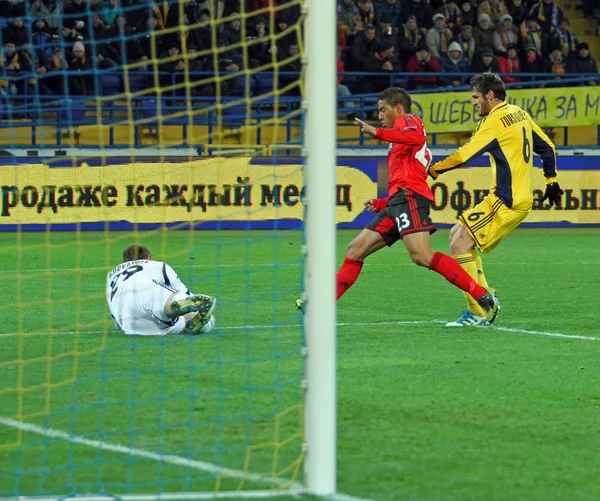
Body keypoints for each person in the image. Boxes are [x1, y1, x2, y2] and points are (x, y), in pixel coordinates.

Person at [297, 87, 500, 323]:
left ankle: (482, 295)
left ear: (399, 108)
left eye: (383, 110)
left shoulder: (409, 121)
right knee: (355, 250)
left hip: (410, 198)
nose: (380, 115)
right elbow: (406, 176)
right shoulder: (397, 140)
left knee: (422, 255)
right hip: (398, 201)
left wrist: (378, 132)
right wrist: (381, 202)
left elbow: (417, 138)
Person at [428, 73, 563, 327]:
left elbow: (464, 155)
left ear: (490, 95)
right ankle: (485, 298)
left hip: (507, 199)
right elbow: (547, 147)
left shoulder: (493, 122)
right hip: (507, 197)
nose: (474, 103)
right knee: (457, 234)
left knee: (459, 245)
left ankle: (479, 310)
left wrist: (433, 170)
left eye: (476, 97)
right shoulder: (518, 113)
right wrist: (551, 180)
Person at [106, 244, 216, 336]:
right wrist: (193, 303)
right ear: (148, 257)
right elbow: (183, 291)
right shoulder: (158, 265)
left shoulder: (111, 275)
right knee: (209, 319)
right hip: (147, 293)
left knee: (164, 315)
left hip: (130, 325)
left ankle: (179, 315)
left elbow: (112, 308)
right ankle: (179, 309)